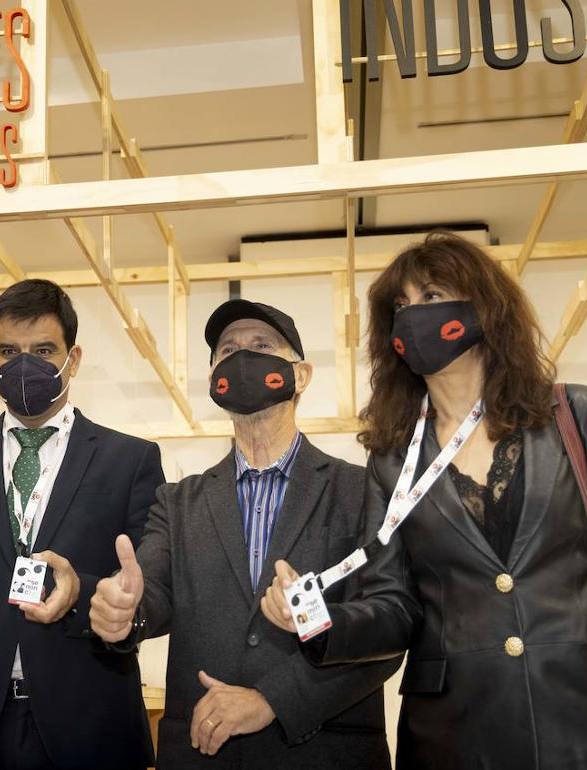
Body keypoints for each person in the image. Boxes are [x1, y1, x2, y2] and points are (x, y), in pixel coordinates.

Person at [262, 232, 587, 770]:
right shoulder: (392, 458)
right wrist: (315, 619)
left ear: (484, 306)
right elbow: (395, 605)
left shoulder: (576, 415)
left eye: (432, 296)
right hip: (453, 738)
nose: (412, 316)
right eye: (400, 307)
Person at [89, 299, 400, 769]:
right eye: (228, 350)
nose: (243, 358)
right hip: (202, 752)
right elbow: (151, 593)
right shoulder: (178, 502)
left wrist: (273, 699)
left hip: (325, 753)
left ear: (301, 375)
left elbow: (387, 630)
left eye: (262, 346)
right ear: (214, 378)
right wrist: (124, 613)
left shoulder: (361, 491)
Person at [0, 279, 164, 770]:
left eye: (43, 350)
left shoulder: (131, 461)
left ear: (72, 359)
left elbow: (149, 592)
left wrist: (83, 593)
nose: (24, 364)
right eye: (9, 351)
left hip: (90, 720)